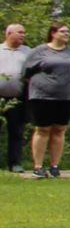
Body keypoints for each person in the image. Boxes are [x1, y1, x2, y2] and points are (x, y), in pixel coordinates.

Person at [22, 24, 70, 179]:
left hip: (66, 96)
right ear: (53, 33)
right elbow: (26, 72)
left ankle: (54, 166)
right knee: (43, 130)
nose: (66, 34)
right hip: (42, 96)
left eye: (67, 31)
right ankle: (38, 167)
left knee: (59, 129)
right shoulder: (40, 51)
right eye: (63, 31)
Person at [0, 23, 27, 173]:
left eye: (24, 33)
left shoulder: (28, 52)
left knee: (16, 131)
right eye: (19, 32)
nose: (23, 35)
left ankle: (15, 163)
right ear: (9, 33)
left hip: (17, 98)